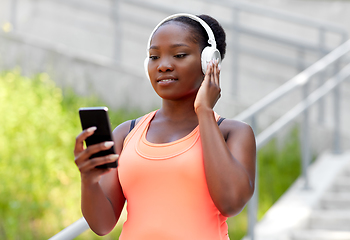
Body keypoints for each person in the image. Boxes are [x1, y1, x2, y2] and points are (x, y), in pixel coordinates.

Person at [74, 13, 256, 240]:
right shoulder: (125, 134)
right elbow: (102, 225)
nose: (163, 66)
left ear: (209, 61)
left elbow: (231, 202)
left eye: (179, 55)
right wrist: (89, 181)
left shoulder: (233, 133)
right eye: (154, 57)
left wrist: (205, 112)